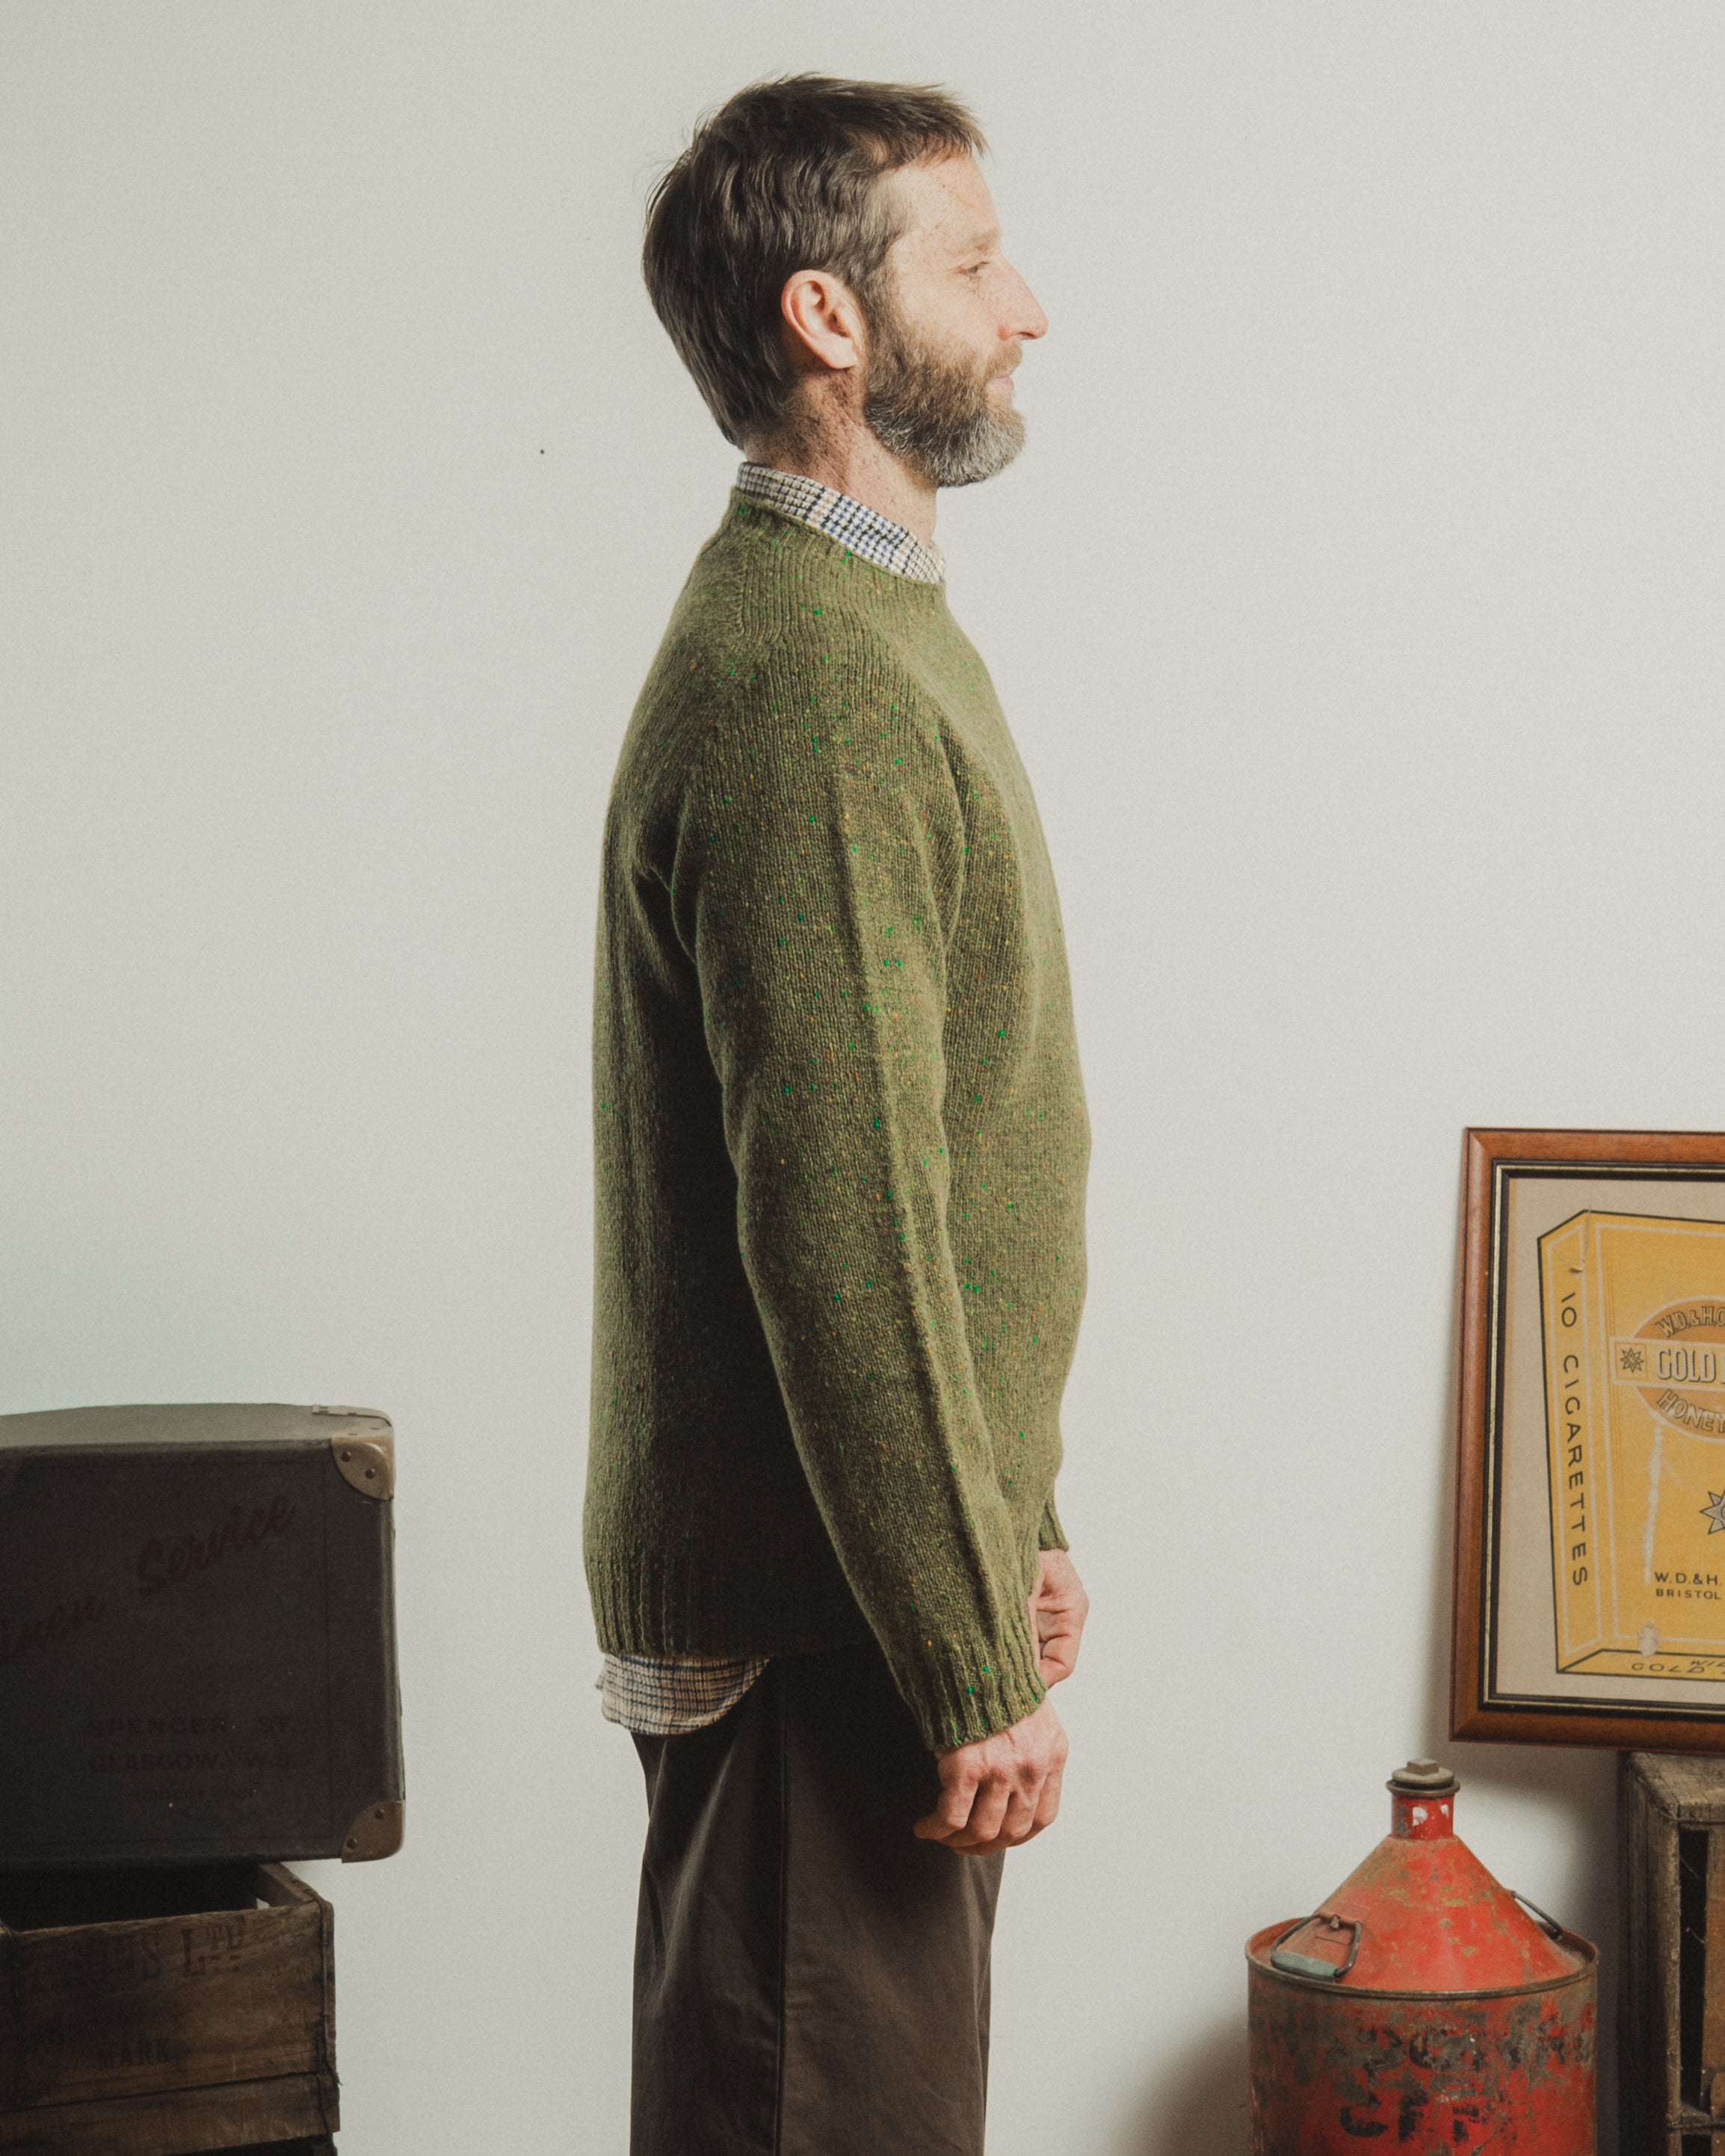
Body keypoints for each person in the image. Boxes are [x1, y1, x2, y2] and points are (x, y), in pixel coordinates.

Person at [584, 73, 1091, 2156]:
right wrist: (965, 1640)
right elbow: (842, 1222)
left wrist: (1012, 1532)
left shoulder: (867, 632)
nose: (1029, 308)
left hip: (865, 1592)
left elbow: (950, 1161)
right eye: (971, 267)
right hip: (826, 1627)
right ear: (828, 318)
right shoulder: (806, 681)